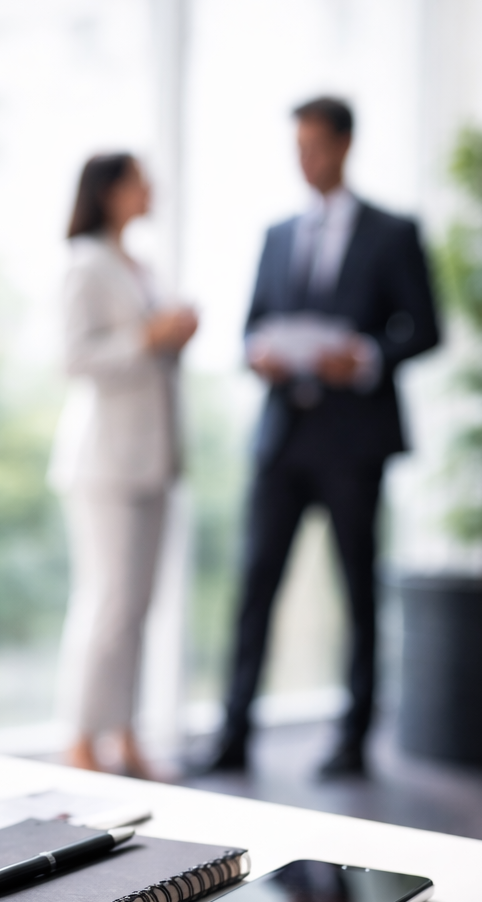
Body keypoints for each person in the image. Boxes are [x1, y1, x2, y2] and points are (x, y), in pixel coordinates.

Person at [209, 97, 440, 778]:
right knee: (255, 585)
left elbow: (425, 328)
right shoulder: (278, 233)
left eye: (314, 145)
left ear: (344, 145)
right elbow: (250, 328)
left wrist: (365, 358)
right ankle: (232, 733)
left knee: (357, 590)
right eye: (297, 147)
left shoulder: (393, 232)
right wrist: (260, 354)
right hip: (283, 438)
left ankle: (353, 740)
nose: (304, 160)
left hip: (353, 441)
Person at [50, 153, 198, 777]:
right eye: (140, 179)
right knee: (107, 601)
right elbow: (73, 358)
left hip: (154, 455)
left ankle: (125, 734)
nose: (151, 189)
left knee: (140, 605)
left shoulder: (144, 267)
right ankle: (80, 737)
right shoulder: (85, 264)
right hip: (104, 459)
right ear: (110, 191)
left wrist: (174, 337)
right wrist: (149, 338)